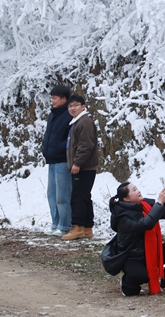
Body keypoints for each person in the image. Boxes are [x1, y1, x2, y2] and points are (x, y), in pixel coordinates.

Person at [109, 182, 165, 296]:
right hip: (132, 257)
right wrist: (159, 203)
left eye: (137, 188)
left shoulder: (144, 204)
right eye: (134, 190)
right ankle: (127, 286)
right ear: (126, 199)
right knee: (140, 276)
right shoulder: (122, 217)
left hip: (150, 252)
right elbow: (146, 224)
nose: (138, 191)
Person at [62, 94, 100, 240]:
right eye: (70, 106)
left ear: (83, 106)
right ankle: (86, 228)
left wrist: (77, 163)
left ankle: (77, 227)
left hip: (84, 167)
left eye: (76, 105)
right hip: (83, 167)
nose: (72, 108)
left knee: (78, 198)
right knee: (84, 197)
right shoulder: (77, 122)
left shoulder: (84, 122)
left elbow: (86, 146)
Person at [41, 85, 73, 237]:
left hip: (62, 159)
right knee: (52, 194)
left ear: (64, 99)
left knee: (63, 195)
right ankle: (55, 223)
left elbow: (70, 138)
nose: (52, 100)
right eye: (51, 97)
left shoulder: (69, 115)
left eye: (55, 98)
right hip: (51, 159)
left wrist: (60, 148)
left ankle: (65, 225)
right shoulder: (52, 114)